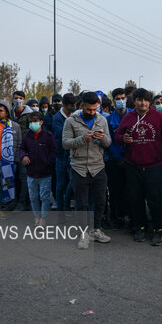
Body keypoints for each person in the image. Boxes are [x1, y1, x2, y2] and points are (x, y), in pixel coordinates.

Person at [115, 88, 162, 246]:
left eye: (146, 100)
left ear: (150, 102)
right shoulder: (128, 117)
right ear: (134, 101)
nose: (143, 103)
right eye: (139, 100)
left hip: (155, 166)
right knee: (136, 199)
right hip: (133, 166)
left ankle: (158, 231)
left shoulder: (159, 117)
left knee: (156, 200)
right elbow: (117, 136)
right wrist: (123, 138)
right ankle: (139, 228)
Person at [62, 91, 112, 249]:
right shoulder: (71, 121)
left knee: (100, 201)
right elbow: (65, 143)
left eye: (95, 109)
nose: (92, 112)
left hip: (98, 167)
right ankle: (83, 234)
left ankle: (96, 230)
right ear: (81, 105)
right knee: (81, 203)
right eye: (89, 109)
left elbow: (109, 142)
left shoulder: (102, 120)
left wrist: (101, 137)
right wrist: (83, 139)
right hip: (79, 167)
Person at [19, 112, 57, 226]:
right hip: (31, 172)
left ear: (41, 122)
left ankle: (43, 219)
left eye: (35, 121)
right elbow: (21, 148)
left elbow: (54, 151)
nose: (32, 124)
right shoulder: (26, 135)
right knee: (33, 197)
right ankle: (37, 217)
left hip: (45, 173)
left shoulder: (48, 136)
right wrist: (24, 156)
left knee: (44, 197)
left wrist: (48, 162)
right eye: (30, 122)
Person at [106, 88, 131, 229]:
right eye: (117, 98)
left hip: (130, 160)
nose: (121, 101)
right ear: (114, 100)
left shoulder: (133, 116)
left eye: (123, 98)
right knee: (114, 190)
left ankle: (126, 215)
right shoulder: (109, 119)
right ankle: (115, 217)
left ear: (126, 99)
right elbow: (108, 141)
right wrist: (117, 158)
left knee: (129, 190)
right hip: (114, 161)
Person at [10, 90, 34, 211]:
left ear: (24, 100)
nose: (17, 100)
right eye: (15, 98)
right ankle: (13, 201)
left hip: (25, 151)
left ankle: (23, 202)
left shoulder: (30, 115)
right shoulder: (9, 113)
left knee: (24, 177)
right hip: (10, 150)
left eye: (20, 98)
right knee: (12, 177)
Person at [53, 93, 76, 214]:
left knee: (73, 182)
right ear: (64, 105)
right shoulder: (57, 118)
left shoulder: (76, 115)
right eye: (70, 106)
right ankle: (61, 210)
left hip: (73, 154)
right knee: (60, 184)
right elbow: (61, 134)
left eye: (74, 105)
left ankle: (67, 204)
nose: (72, 107)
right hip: (61, 155)